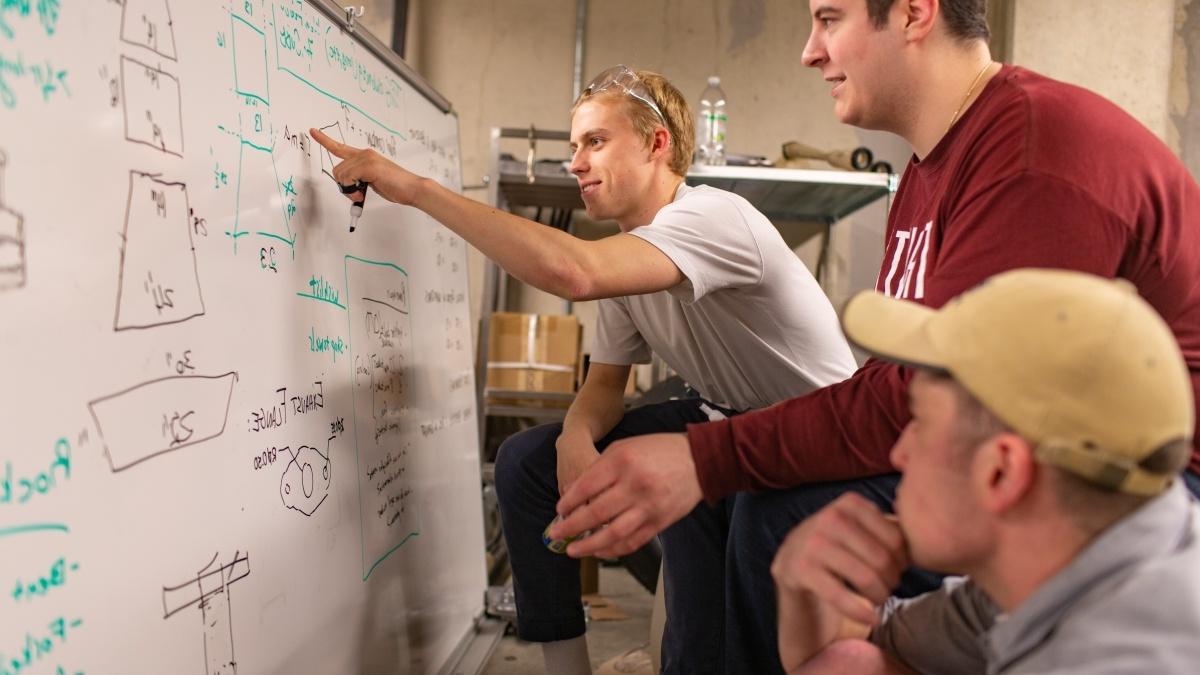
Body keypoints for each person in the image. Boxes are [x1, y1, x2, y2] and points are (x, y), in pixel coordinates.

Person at [549, 0, 1200, 671]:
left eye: (829, 19)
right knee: (738, 503)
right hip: (1038, 452)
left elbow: (943, 398)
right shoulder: (927, 169)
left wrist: (705, 457)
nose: (809, 51)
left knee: (774, 512)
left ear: (916, 14)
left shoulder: (1031, 151)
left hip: (1148, 487)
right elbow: (897, 380)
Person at [311, 66, 857, 674]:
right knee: (528, 463)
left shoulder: (713, 218)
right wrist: (575, 437)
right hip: (721, 420)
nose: (576, 162)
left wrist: (416, 189)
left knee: (704, 653)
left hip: (817, 435)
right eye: (574, 146)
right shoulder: (631, 254)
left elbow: (574, 273)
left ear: (657, 144)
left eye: (595, 142)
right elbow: (604, 387)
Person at [774, 267, 1200, 674]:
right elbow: (846, 658)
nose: (900, 453)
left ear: (1001, 472)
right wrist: (803, 591)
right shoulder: (1064, 569)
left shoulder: (1114, 658)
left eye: (919, 421)